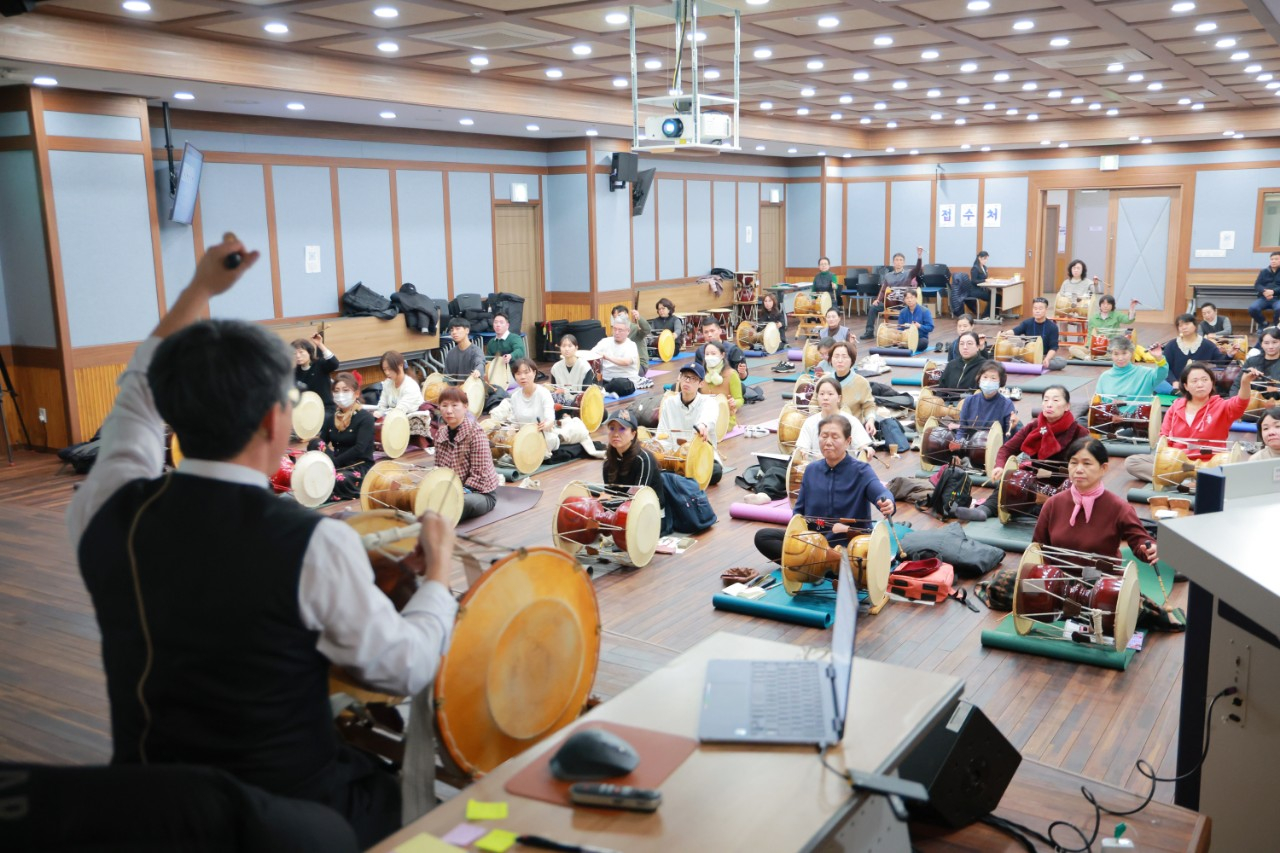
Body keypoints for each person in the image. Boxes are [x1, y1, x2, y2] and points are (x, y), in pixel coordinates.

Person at [66, 233, 457, 847]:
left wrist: (200, 291)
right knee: (456, 816)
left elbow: (137, 395)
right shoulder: (311, 544)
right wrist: (437, 578)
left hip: (146, 800)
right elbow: (402, 668)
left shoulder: (107, 506)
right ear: (278, 421)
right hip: (285, 816)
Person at [753, 414, 894, 563]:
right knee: (763, 537)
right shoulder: (811, 470)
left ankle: (811, 564)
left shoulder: (861, 471)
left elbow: (881, 492)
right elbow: (798, 513)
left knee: (859, 558)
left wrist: (887, 502)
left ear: (848, 441)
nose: (828, 442)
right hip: (814, 544)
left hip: (850, 547)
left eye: (835, 437)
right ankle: (818, 564)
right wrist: (800, 538)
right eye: (824, 436)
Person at [954, 385, 1089, 522]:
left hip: (1065, 484)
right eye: (1046, 400)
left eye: (1055, 400)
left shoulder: (1080, 432)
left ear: (1067, 406)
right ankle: (985, 510)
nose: (1049, 404)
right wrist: (1000, 466)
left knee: (1059, 504)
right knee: (1008, 481)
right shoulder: (1034, 426)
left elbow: (1086, 466)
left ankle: (1031, 510)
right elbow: (1007, 449)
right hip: (1035, 479)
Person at [1124, 362, 1260, 482]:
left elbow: (1240, 403)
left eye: (1204, 380)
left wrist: (1245, 382)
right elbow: (1164, 438)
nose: (1200, 384)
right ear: (1186, 386)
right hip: (1176, 462)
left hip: (1209, 464)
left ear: (1212, 383)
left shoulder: (1221, 406)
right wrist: (1168, 460)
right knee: (1132, 462)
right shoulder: (1176, 406)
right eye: (1194, 381)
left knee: (1228, 470)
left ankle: (1178, 479)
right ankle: (1186, 478)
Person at [1033, 438, 1158, 566]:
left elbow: (1140, 541)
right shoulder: (1053, 504)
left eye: (1087, 464)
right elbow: (1037, 549)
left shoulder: (1119, 508)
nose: (1079, 469)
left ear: (1103, 468)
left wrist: (1150, 549)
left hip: (1102, 581)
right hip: (1057, 579)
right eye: (1073, 463)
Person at [430, 385, 501, 519]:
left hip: (479, 493)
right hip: (450, 490)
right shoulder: (441, 433)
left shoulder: (476, 434)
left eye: (454, 405)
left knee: (458, 504)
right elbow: (439, 469)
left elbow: (479, 475)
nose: (449, 411)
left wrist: (455, 493)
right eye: (444, 405)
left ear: (465, 406)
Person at [828, 341, 911, 454]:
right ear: (831, 359)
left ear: (851, 360)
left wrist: (870, 421)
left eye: (844, 356)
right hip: (827, 427)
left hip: (852, 429)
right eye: (836, 356)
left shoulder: (860, 382)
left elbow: (869, 405)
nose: (840, 360)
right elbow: (814, 403)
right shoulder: (825, 380)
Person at [657, 362, 723, 486]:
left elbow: (708, 419)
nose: (687, 381)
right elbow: (662, 434)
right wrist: (663, 456)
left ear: (701, 383)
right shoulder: (669, 402)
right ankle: (681, 475)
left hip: (700, 456)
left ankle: (679, 477)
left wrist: (703, 426)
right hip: (676, 456)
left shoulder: (709, 402)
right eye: (685, 377)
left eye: (693, 379)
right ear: (680, 378)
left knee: (715, 472)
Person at [311, 372, 374, 501]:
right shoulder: (332, 417)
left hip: (357, 466)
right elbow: (322, 441)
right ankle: (327, 474)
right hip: (336, 463)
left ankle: (330, 485)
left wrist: (335, 462)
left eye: (345, 390)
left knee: (339, 479)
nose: (340, 395)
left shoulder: (365, 418)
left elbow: (359, 448)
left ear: (356, 393)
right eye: (337, 391)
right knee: (315, 442)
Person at [601, 409, 667, 530]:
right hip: (622, 513)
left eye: (622, 429)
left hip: (651, 516)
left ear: (633, 433)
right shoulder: (607, 463)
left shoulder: (643, 459)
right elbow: (610, 495)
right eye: (612, 428)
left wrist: (605, 504)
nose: (615, 434)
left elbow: (638, 498)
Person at [795, 376, 873, 457]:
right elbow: (802, 447)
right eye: (821, 394)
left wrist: (866, 449)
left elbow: (862, 446)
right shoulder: (810, 422)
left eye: (830, 394)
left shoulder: (850, 421)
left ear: (839, 398)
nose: (825, 398)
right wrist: (802, 452)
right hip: (819, 468)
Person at [1158, 313, 1232, 394]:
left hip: (1200, 385)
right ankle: (1176, 392)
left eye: (1187, 324)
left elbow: (1221, 362)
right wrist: (1174, 382)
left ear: (1195, 326)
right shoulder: (1171, 345)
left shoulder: (1207, 344)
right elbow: (1166, 367)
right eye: (1180, 325)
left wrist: (1230, 355)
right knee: (1156, 381)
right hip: (1177, 385)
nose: (1184, 327)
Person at [862, 247, 923, 340]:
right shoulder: (888, 275)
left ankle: (912, 333)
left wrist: (919, 256)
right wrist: (878, 300)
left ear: (903, 263)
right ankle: (869, 331)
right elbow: (883, 290)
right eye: (896, 260)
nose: (898, 262)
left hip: (904, 304)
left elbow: (918, 269)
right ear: (893, 262)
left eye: (901, 260)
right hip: (890, 303)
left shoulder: (909, 274)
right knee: (873, 307)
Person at [954, 360, 1018, 443]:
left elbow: (1009, 438)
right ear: (979, 378)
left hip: (994, 450)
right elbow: (962, 430)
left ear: (1000, 381)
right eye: (985, 377)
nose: (988, 381)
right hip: (969, 447)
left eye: (993, 378)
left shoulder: (1006, 404)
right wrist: (958, 443)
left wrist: (1012, 427)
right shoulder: (969, 401)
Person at [1095, 337, 1168, 408]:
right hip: (1110, 419)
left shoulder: (1145, 373)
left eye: (1124, 353)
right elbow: (1098, 404)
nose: (1120, 358)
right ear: (1111, 355)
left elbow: (1162, 374)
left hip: (1140, 419)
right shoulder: (1104, 377)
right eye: (1116, 354)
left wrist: (1159, 358)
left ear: (1131, 353)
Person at [1004, 297, 1066, 371]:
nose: (1037, 311)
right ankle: (1034, 365)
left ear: (1046, 310)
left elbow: (1054, 347)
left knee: (1062, 362)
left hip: (1043, 356)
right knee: (1013, 356)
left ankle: (1031, 365)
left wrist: (1047, 359)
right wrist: (1005, 333)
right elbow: (1015, 331)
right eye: (1035, 308)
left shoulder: (1053, 327)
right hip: (1027, 355)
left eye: (1040, 309)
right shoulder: (1027, 323)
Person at [588, 317, 642, 396]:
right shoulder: (605, 341)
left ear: (628, 331)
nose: (616, 332)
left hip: (625, 381)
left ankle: (602, 390)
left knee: (618, 383)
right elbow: (591, 354)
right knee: (588, 378)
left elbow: (626, 362)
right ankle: (604, 390)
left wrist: (608, 357)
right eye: (614, 329)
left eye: (620, 330)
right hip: (605, 379)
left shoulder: (631, 345)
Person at [1229, 326, 1280, 405]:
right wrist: (1235, 404)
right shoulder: (1252, 361)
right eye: (1266, 343)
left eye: (1275, 342)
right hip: (1251, 406)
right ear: (1261, 344)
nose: (1270, 346)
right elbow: (1236, 386)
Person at [293, 332, 340, 414]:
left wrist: (320, 345)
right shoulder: (294, 371)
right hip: (306, 411)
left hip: (325, 409)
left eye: (301, 352)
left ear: (309, 352)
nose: (298, 356)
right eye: (294, 353)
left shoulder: (319, 364)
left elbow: (334, 364)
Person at [701, 339, 744, 428]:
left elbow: (740, 400)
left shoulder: (731, 374)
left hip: (725, 419)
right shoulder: (701, 374)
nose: (709, 357)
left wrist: (734, 402)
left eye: (713, 354)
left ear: (722, 355)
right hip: (704, 418)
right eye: (707, 354)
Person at [936, 332, 985, 401]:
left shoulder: (984, 366)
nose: (965, 347)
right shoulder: (951, 364)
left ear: (977, 347)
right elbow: (941, 390)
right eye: (961, 344)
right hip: (948, 405)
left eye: (969, 344)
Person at [373, 350, 424, 417]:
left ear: (400, 366)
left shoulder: (411, 386)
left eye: (389, 369)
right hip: (395, 418)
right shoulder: (387, 383)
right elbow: (382, 405)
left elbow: (399, 411)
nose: (387, 373)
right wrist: (378, 413)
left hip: (413, 420)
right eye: (384, 369)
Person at [1250, 251, 1280, 334]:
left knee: (1279, 308)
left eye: (1276, 259)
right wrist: (1264, 291)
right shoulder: (1264, 271)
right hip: (1264, 297)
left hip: (1278, 298)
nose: (1273, 261)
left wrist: (1273, 292)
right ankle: (1263, 323)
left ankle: (1276, 327)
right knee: (1253, 308)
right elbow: (1257, 284)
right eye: (1272, 259)